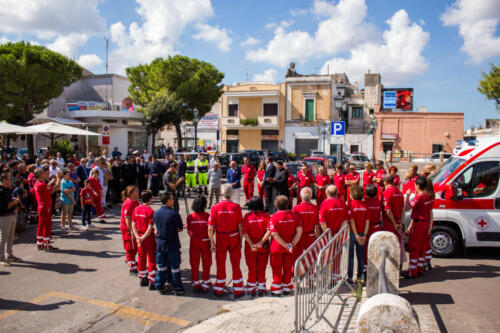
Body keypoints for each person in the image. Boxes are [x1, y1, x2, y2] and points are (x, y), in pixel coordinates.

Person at [208, 184, 244, 297]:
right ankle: (238, 288)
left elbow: (210, 227)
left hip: (221, 237)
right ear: (232, 194)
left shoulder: (215, 207)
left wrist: (212, 242)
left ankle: (219, 287)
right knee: (236, 264)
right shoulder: (236, 207)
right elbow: (240, 227)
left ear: (221, 194)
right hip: (233, 236)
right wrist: (240, 239)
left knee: (220, 263)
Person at [261, 195, 302, 296]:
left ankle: (277, 288)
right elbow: (299, 231)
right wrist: (291, 244)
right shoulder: (294, 216)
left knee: (276, 268)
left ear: (276, 205)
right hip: (290, 247)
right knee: (288, 267)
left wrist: (284, 245)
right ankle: (287, 287)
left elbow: (273, 233)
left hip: (277, 247)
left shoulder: (274, 217)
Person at [154, 191, 184, 295]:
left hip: (161, 244)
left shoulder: (156, 213)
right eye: (171, 199)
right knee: (175, 267)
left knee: (161, 266)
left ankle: (159, 285)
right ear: (167, 201)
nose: (173, 200)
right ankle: (178, 287)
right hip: (172, 244)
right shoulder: (174, 214)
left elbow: (156, 228)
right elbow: (180, 229)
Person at [404, 176, 433, 278]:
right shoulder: (428, 197)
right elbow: (429, 212)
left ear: (418, 186)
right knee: (422, 247)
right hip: (425, 224)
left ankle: (412, 271)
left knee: (414, 248)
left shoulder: (419, 197)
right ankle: (420, 269)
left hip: (418, 225)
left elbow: (407, 207)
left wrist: (407, 196)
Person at [242, 196, 271, 296]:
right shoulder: (266, 216)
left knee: (252, 267)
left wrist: (251, 244)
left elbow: (244, 233)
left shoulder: (247, 216)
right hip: (263, 246)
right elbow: (269, 231)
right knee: (262, 267)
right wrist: (261, 242)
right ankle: (262, 288)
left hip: (250, 247)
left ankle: (251, 288)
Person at [186, 196, 212, 292]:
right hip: (205, 241)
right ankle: (205, 283)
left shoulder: (190, 217)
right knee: (206, 263)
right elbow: (211, 230)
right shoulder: (208, 216)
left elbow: (188, 230)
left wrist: (193, 237)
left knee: (194, 263)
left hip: (194, 241)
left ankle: (196, 283)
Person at [132, 190, 156, 289]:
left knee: (141, 258)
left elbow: (133, 225)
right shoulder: (150, 211)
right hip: (148, 238)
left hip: (140, 237)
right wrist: (143, 237)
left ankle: (142, 278)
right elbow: (150, 228)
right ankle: (152, 280)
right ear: (150, 199)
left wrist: (137, 237)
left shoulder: (136, 209)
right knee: (151, 258)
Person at [34, 166, 62, 251]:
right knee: (47, 225)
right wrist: (58, 178)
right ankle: (47, 244)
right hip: (45, 206)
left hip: (42, 206)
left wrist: (51, 182)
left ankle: (40, 243)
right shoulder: (41, 185)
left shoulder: (38, 183)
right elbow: (56, 188)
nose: (45, 174)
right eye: (43, 173)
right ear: (39, 175)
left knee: (41, 224)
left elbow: (48, 187)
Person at [347, 185, 369, 284]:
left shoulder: (351, 205)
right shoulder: (365, 205)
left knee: (351, 256)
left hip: (353, 233)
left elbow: (351, 221)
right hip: (362, 233)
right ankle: (359, 276)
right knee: (360, 256)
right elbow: (367, 221)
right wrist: (364, 235)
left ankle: (350, 277)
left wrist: (356, 234)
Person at [292, 187, 320, 262]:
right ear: (311, 196)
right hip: (311, 235)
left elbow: (293, 225)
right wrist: (318, 239)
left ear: (301, 196)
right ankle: (310, 273)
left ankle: (296, 273)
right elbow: (317, 226)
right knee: (311, 258)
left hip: (299, 236)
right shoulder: (315, 208)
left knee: (297, 257)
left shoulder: (296, 208)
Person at [0, 173, 22, 266]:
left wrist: (13, 201)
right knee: (3, 238)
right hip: (4, 217)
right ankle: (1, 257)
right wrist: (15, 201)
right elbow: (4, 206)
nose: (11, 181)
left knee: (10, 237)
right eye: (10, 179)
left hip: (11, 215)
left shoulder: (7, 190)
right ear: (4, 180)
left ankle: (9, 254)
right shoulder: (0, 191)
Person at [363, 184, 383, 276]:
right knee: (376, 248)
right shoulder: (379, 202)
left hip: (368, 228)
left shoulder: (364, 203)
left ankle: (366, 268)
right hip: (377, 228)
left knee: (366, 249)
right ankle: (376, 267)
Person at [120, 185, 140, 274]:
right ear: (131, 193)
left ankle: (129, 260)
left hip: (134, 227)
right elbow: (127, 218)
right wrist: (131, 230)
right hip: (128, 228)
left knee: (134, 247)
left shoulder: (135, 202)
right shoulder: (129, 203)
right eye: (136, 191)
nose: (138, 192)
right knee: (130, 247)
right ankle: (132, 268)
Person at [382, 175, 405, 240]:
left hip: (389, 222)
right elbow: (403, 210)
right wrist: (401, 224)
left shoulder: (386, 193)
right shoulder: (400, 192)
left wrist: (394, 224)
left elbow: (388, 211)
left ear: (385, 182)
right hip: (398, 222)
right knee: (397, 244)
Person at [60, 168, 76, 233]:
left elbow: (74, 189)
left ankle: (70, 225)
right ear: (63, 175)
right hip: (65, 200)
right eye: (67, 174)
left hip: (70, 200)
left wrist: (68, 190)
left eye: (69, 174)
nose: (69, 176)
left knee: (70, 213)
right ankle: (63, 226)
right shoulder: (63, 182)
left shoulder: (70, 181)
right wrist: (73, 199)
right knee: (64, 214)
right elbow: (65, 191)